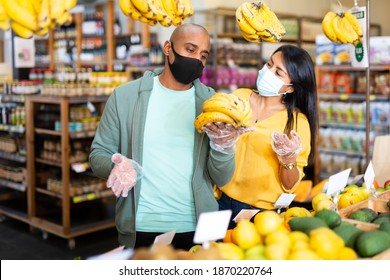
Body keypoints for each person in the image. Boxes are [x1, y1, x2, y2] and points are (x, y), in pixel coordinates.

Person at [89, 23, 246, 250]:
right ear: (167, 48)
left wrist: (223, 147)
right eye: (190, 50)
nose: (196, 60)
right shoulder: (126, 97)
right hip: (142, 227)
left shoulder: (212, 106)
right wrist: (116, 167)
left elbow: (222, 178)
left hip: (199, 228)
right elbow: (98, 154)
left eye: (203, 55)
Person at [215, 44, 318, 228]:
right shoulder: (239, 97)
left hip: (260, 213)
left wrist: (288, 159)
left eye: (278, 73)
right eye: (269, 64)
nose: (268, 72)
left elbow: (290, 185)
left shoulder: (296, 122)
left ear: (291, 87)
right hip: (219, 202)